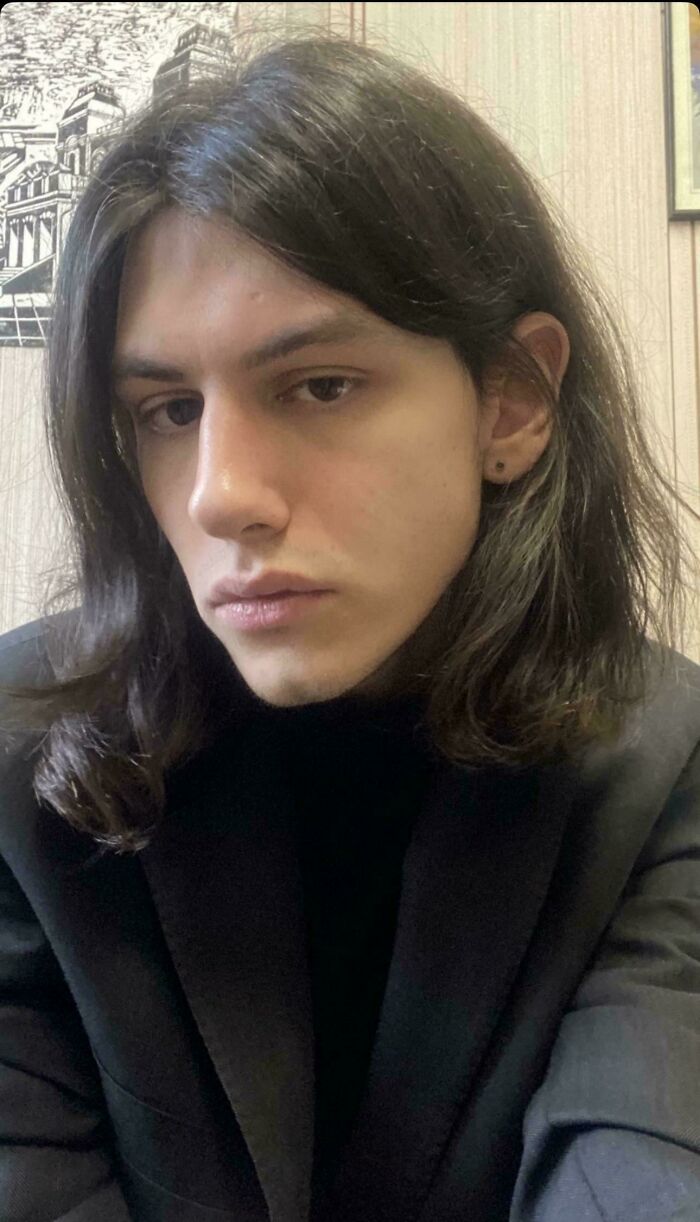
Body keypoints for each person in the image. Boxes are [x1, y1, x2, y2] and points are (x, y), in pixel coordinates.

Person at [0, 24, 699, 1222]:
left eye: (319, 386)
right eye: (169, 410)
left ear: (510, 402)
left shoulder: (664, 766)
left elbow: (643, 1151)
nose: (221, 495)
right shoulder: (25, 754)